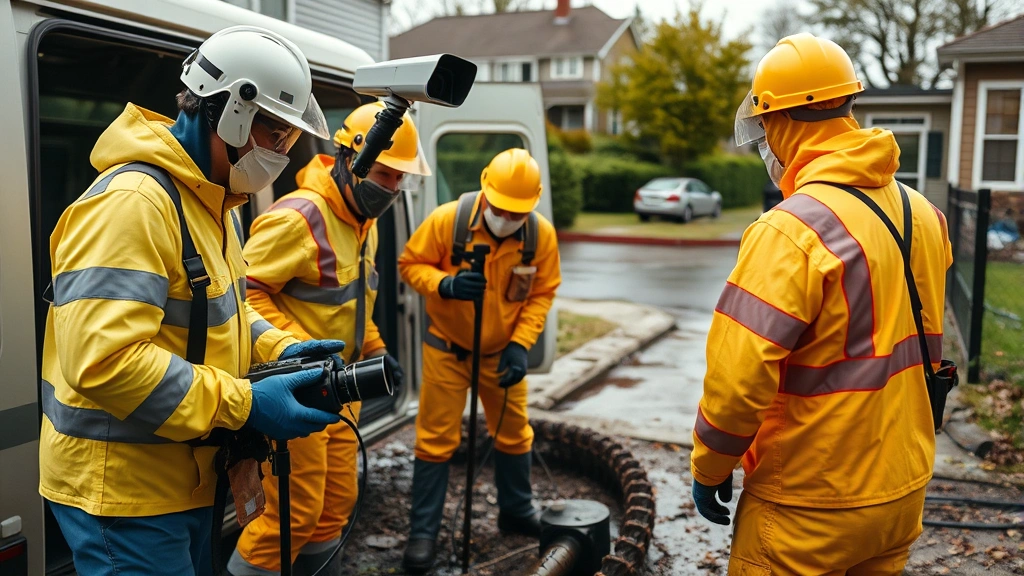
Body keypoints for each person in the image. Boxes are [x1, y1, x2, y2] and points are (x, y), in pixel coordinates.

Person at [39, 26, 345, 576]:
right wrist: (246, 403)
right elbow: (106, 362)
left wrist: (283, 349)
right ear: (232, 113)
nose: (281, 154)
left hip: (183, 474)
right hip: (126, 492)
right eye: (275, 135)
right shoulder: (133, 204)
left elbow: (218, 312)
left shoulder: (210, 201)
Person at [690, 33, 953, 575]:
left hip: (809, 505)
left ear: (780, 122)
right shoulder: (924, 214)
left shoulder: (790, 231)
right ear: (846, 106)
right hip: (902, 493)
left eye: (764, 129)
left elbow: (737, 382)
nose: (766, 143)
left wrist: (710, 467)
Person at [228, 101, 431, 575]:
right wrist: (305, 355)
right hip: (299, 390)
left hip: (342, 392)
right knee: (291, 515)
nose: (393, 188)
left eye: (401, 178)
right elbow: (243, 296)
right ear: (351, 159)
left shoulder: (363, 223)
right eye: (385, 173)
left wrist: (377, 350)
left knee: (336, 505)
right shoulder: (298, 218)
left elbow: (352, 305)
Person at [397, 148, 562, 573]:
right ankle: (423, 534)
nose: (506, 218)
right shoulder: (448, 221)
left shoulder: (539, 237)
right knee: (435, 439)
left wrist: (521, 345)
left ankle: (516, 510)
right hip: (446, 351)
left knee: (513, 433)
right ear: (485, 190)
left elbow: (543, 292)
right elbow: (410, 265)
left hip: (500, 354)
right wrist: (445, 284)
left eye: (517, 212)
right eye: (501, 208)